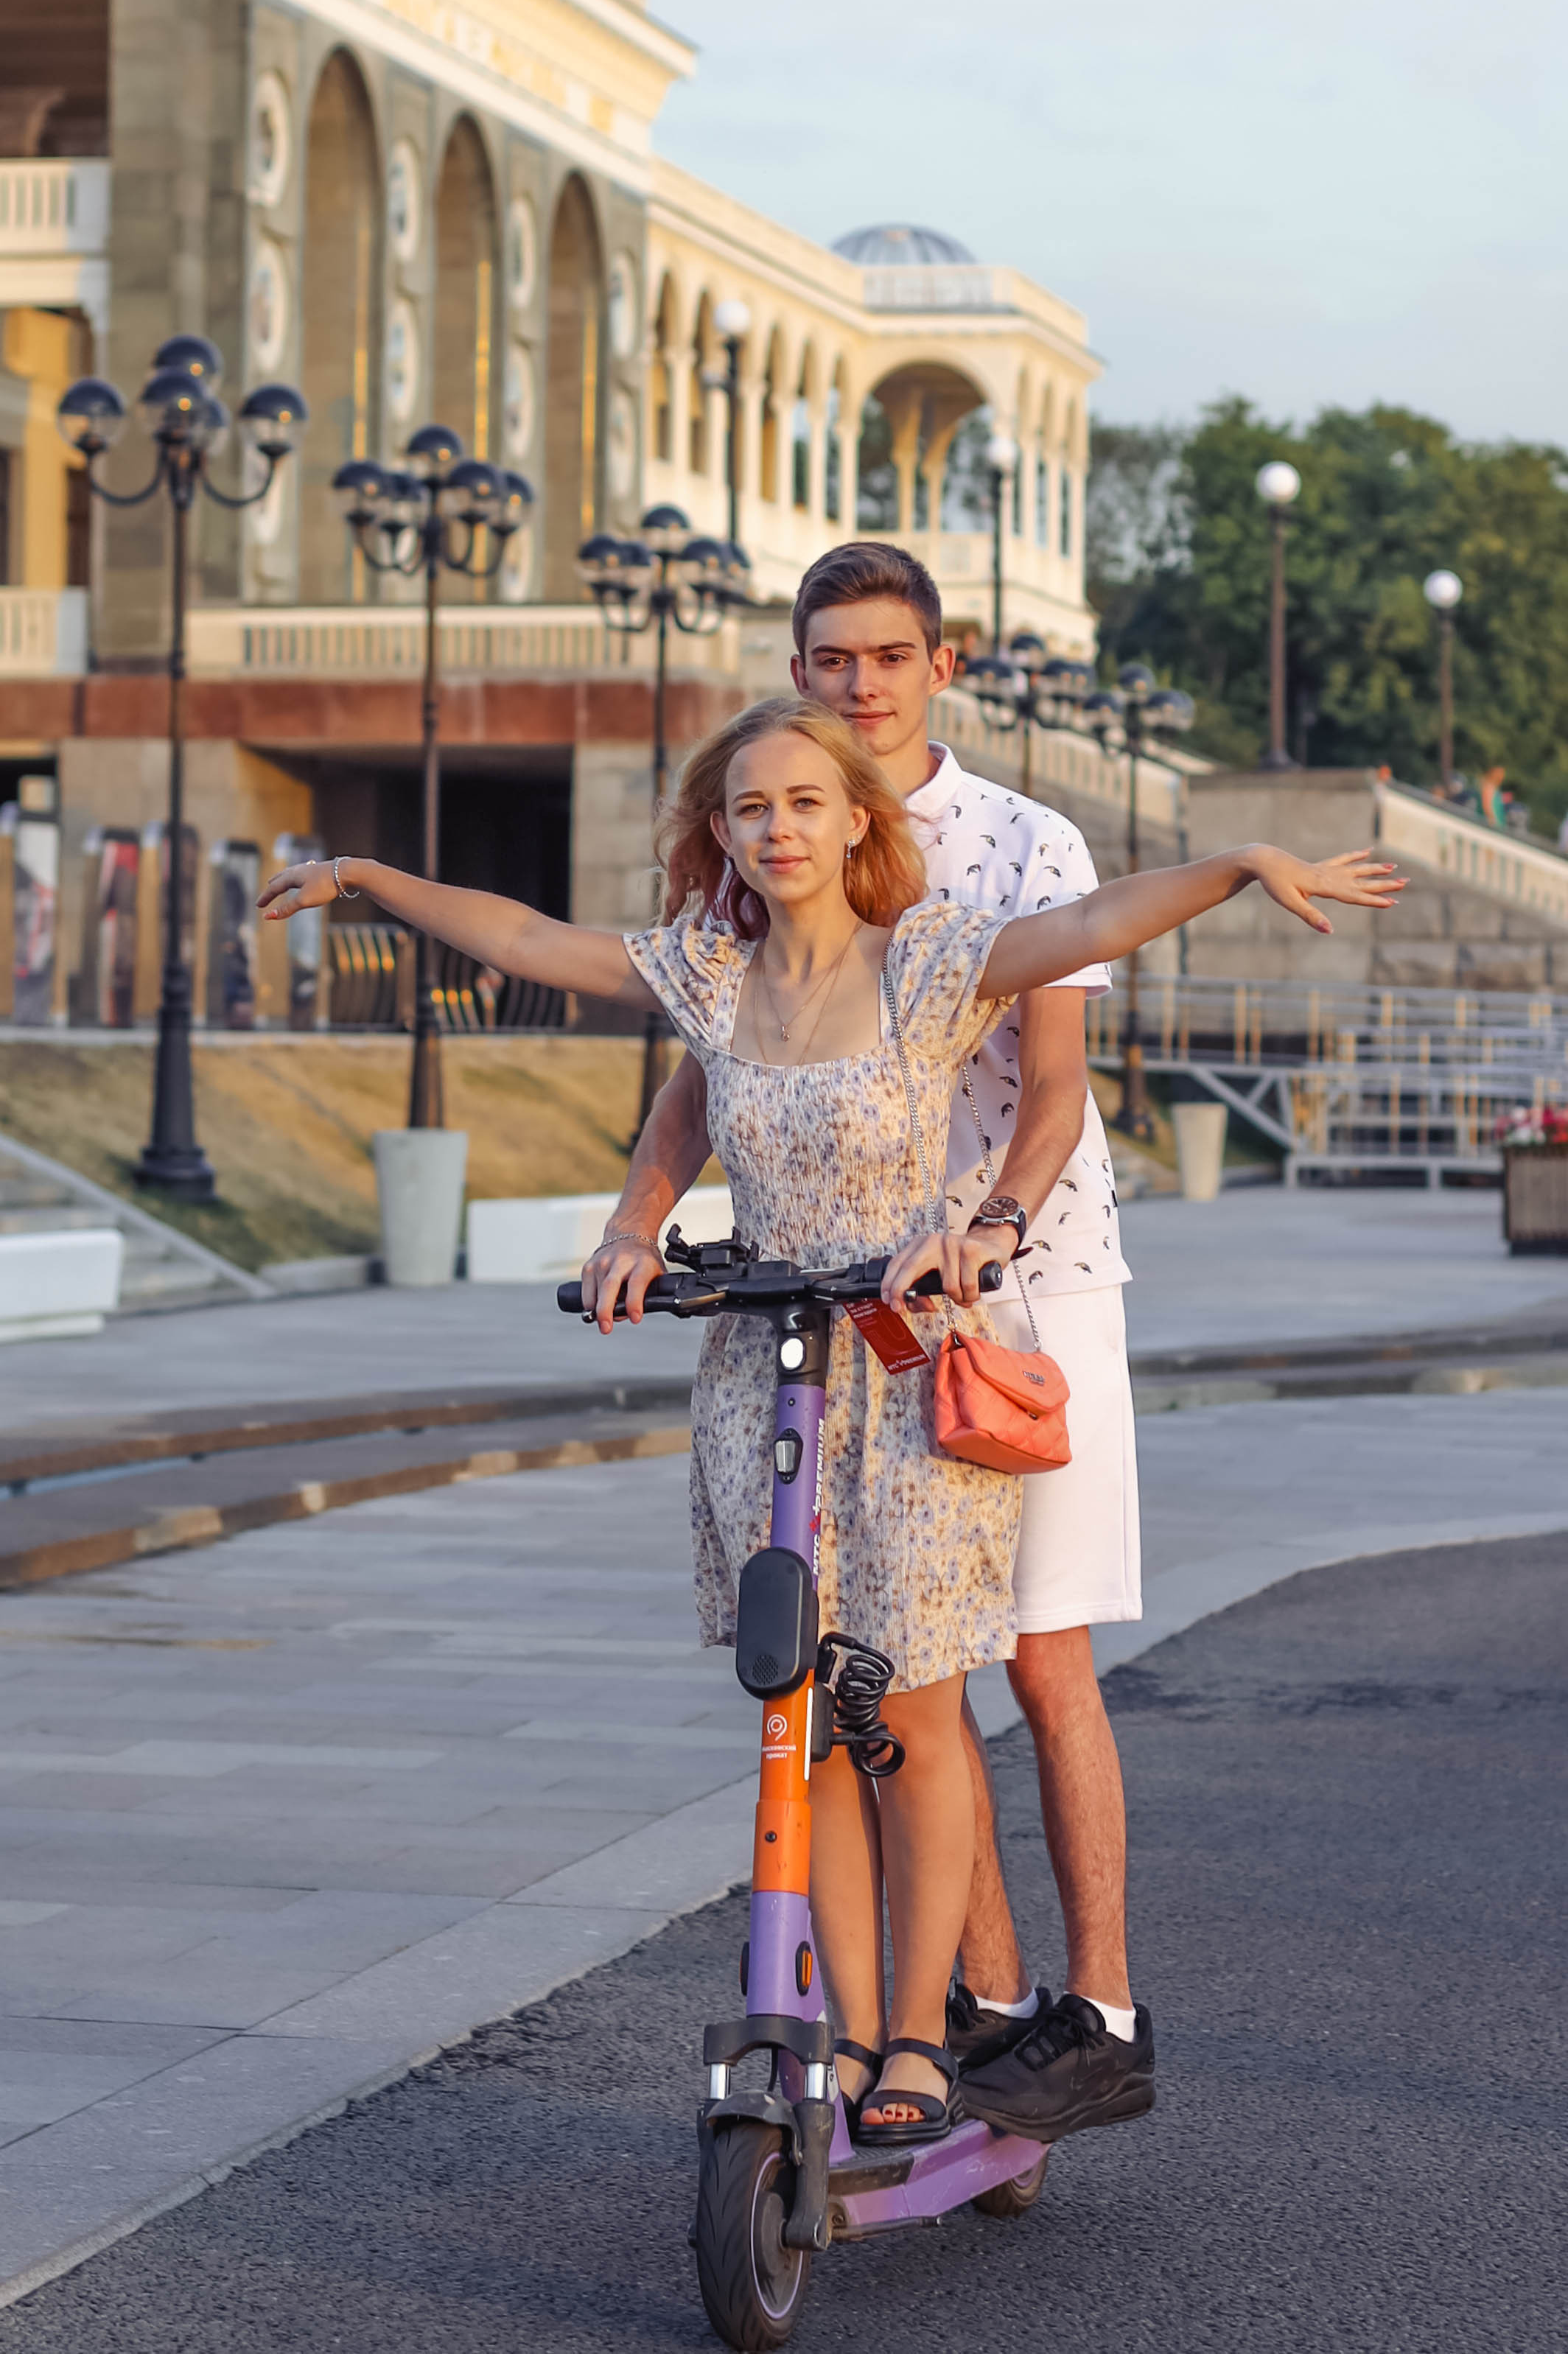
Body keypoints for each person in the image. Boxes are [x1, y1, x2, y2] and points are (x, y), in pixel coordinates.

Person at [260, 697, 1399, 2140]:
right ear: (721, 833)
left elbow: (1089, 928)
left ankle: (923, 2043)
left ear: (859, 819)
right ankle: (858, 2043)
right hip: (763, 1379)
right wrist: (367, 883)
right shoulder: (710, 972)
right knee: (805, 1730)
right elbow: (529, 940)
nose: (778, 827)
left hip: (906, 1364)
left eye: (806, 801)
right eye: (750, 809)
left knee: (911, 1718)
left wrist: (1237, 862)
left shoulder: (927, 962)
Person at [589, 542, 1161, 2140]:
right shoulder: (773, 824)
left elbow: (1052, 1089)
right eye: (830, 657)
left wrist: (988, 1228)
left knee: (1039, 1653)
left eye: (888, 655)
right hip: (836, 1299)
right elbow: (712, 1056)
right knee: (897, 1673)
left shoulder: (1020, 840)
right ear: (797, 664)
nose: (859, 683)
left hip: (1019, 1271)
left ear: (942, 662)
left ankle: (1096, 2006)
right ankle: (956, 2015)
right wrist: (640, 1215)